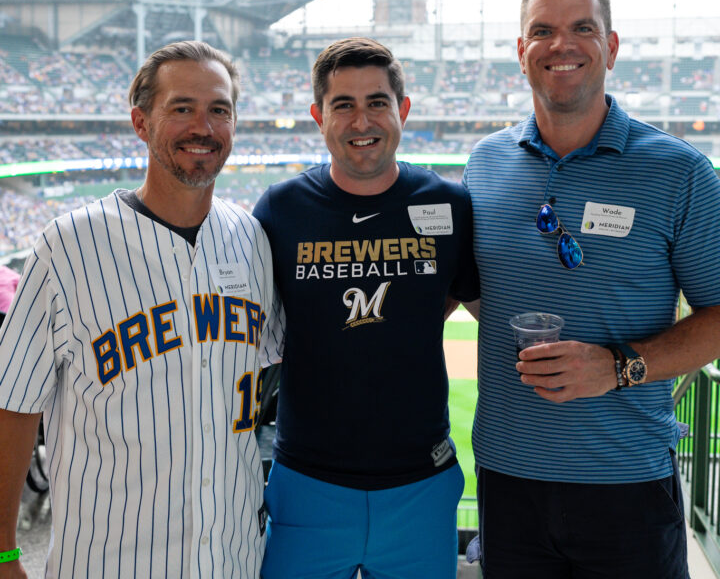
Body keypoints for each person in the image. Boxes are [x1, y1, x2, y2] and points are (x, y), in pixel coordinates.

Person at [463, 0, 720, 578]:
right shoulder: (485, 162)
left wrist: (619, 366)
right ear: (521, 52)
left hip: (626, 483)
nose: (562, 45)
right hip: (507, 477)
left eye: (582, 27)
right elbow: (480, 289)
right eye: (542, 30)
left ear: (611, 46)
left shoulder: (679, 172)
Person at [0, 40, 284, 579]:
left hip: (234, 560)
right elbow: (12, 406)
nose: (203, 126)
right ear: (140, 121)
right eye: (182, 108)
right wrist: (3, 550)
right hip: (110, 562)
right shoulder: (67, 246)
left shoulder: (252, 240)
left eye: (219, 110)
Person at [253, 37, 479, 579]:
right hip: (307, 483)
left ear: (402, 110)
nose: (362, 120)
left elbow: (464, 300)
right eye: (343, 104)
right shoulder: (280, 209)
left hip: (421, 484)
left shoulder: (448, 204)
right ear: (318, 116)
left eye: (377, 101)